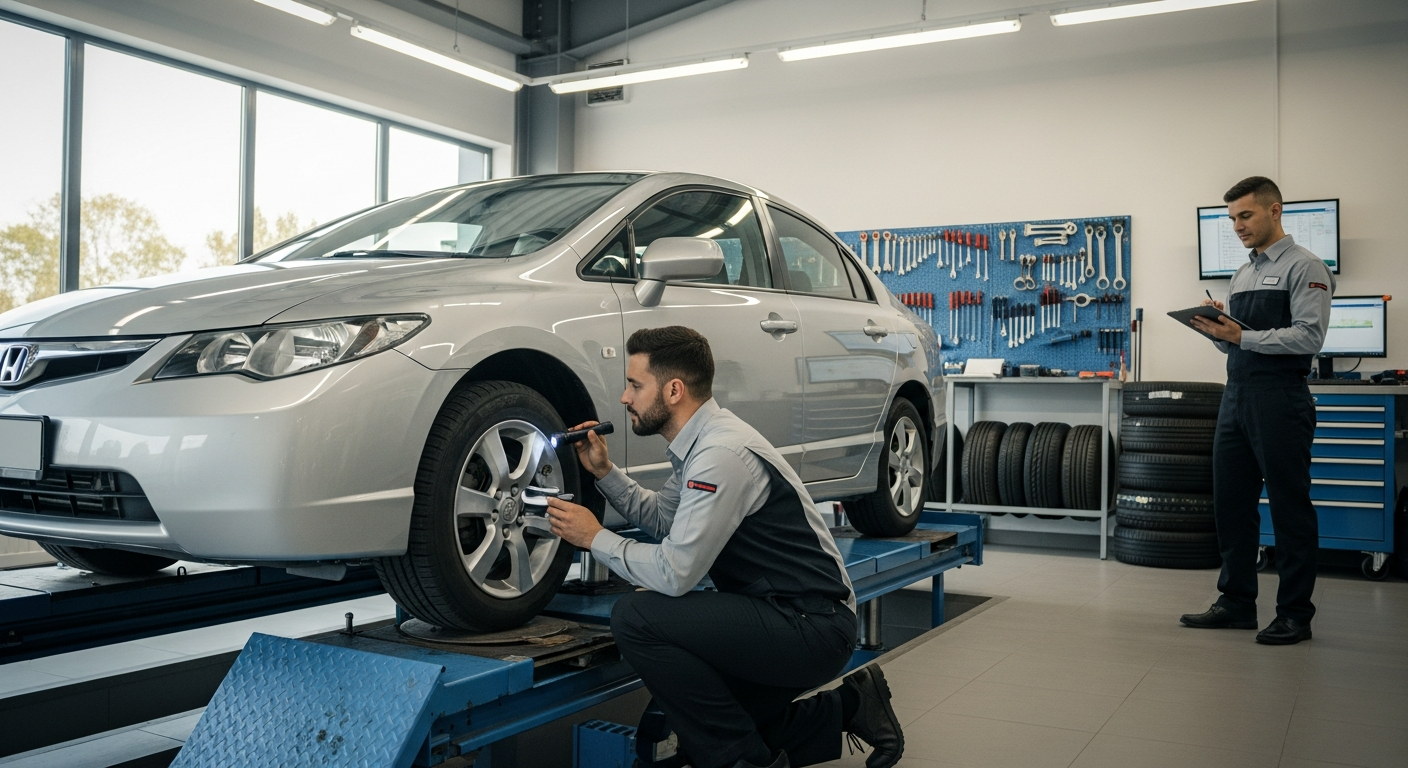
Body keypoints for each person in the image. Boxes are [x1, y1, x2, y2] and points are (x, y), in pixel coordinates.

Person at [544, 326, 904, 768]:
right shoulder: (704, 442)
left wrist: (593, 537)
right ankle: (851, 707)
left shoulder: (721, 455)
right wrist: (605, 473)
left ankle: (743, 764)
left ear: (673, 390)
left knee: (636, 617)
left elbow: (676, 573)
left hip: (811, 625)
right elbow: (663, 519)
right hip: (789, 613)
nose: (623, 397)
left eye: (635, 384)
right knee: (705, 728)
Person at [1182, 176, 1335, 645]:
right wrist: (1219, 333)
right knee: (1232, 505)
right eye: (1231, 219)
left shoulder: (1305, 266)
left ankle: (1294, 613)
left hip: (1280, 398)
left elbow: (1309, 337)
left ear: (1274, 211)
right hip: (1237, 395)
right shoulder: (1243, 273)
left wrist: (1239, 336)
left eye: (1244, 216)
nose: (1237, 226)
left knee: (1289, 509)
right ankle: (1236, 602)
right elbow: (1240, 345)